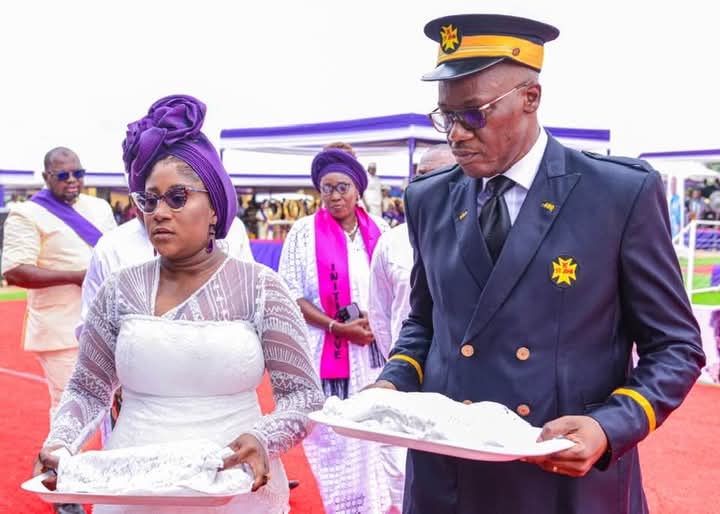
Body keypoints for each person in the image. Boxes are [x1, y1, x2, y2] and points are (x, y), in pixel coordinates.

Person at [370, 14, 705, 514]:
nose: (456, 134)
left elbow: (675, 345)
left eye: (473, 114)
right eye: (445, 116)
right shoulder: (429, 199)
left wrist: (610, 425)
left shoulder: (618, 194)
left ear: (531, 97)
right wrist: (392, 382)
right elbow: (425, 321)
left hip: (563, 477)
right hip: (451, 478)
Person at [34, 95, 323, 514]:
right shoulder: (119, 289)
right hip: (132, 488)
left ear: (215, 208)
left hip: (233, 486)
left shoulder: (262, 287)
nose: (159, 213)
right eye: (149, 200)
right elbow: (87, 387)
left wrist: (264, 437)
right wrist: (61, 442)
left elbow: (303, 396)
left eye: (177, 197)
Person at [2, 147, 116, 514]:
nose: (72, 181)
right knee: (70, 410)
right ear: (46, 177)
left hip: (110, 324)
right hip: (60, 329)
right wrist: (78, 277)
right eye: (63, 175)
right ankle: (63, 489)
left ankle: (122, 480)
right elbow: (15, 271)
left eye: (78, 173)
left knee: (122, 406)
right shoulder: (26, 213)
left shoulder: (99, 208)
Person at [278, 148, 390, 513]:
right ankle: (343, 505)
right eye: (326, 188)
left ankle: (376, 503)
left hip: (374, 350)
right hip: (327, 350)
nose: (334, 196)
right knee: (334, 433)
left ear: (358, 190)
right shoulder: (303, 233)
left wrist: (377, 320)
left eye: (342, 187)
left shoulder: (381, 231)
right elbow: (291, 292)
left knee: (375, 426)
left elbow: (394, 286)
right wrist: (337, 327)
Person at [367, 144, 455, 513]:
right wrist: (403, 366)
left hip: (456, 381)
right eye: (422, 177)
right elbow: (380, 312)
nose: (431, 185)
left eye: (443, 174)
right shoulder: (391, 242)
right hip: (406, 375)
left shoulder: (481, 233)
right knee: (403, 476)